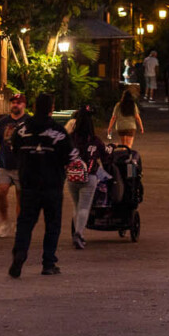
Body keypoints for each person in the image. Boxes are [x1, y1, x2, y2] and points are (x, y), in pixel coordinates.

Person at [7, 93, 69, 278]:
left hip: (29, 185)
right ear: (52, 108)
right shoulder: (59, 132)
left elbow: (15, 149)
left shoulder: (22, 130)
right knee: (52, 225)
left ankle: (20, 254)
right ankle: (48, 264)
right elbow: (69, 156)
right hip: (52, 186)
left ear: (33, 107)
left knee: (25, 223)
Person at [65, 104, 111, 250]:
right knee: (84, 206)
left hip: (72, 177)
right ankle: (79, 233)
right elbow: (105, 157)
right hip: (89, 177)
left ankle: (77, 231)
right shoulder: (94, 141)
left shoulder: (71, 139)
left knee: (76, 205)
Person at [0, 94, 29, 236]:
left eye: (18, 102)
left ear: (24, 105)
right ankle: (5, 222)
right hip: (4, 165)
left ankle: (19, 223)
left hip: (23, 166)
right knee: (1, 191)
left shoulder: (29, 121)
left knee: (21, 195)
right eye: (13, 102)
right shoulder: (3, 122)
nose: (15, 105)